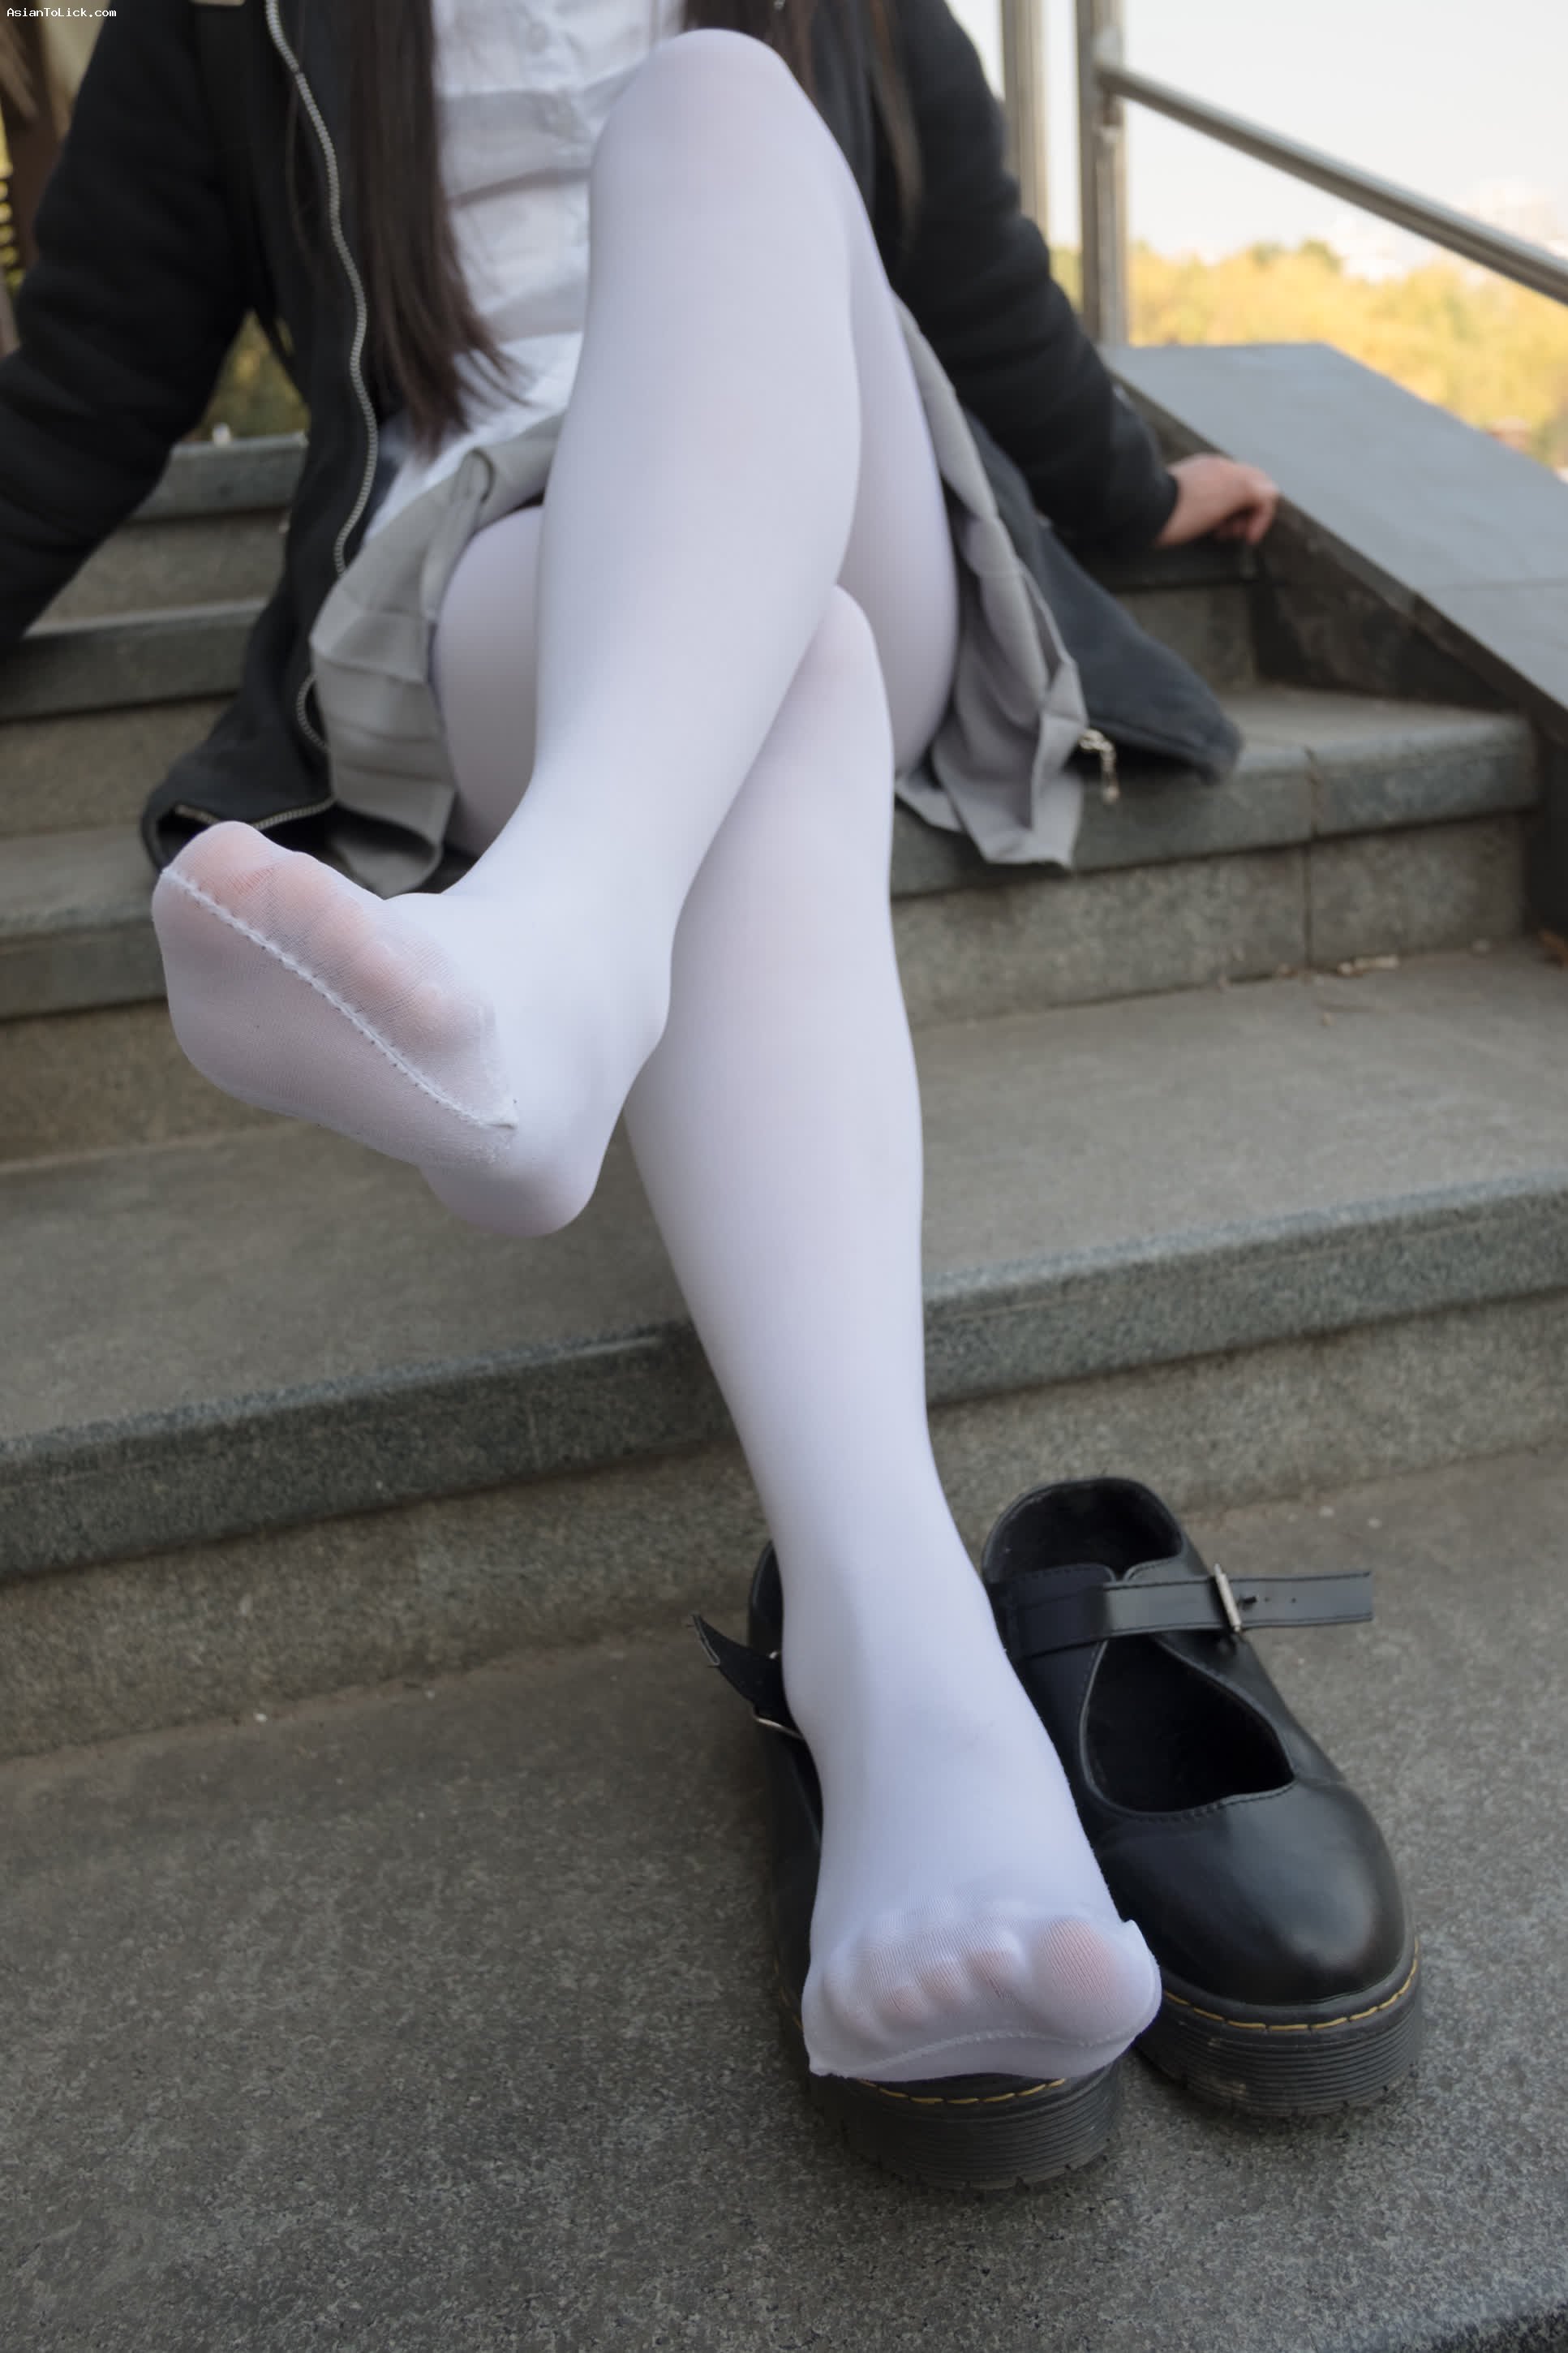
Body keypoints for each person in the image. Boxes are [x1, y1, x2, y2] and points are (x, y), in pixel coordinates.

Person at [0, 0, 1278, 2106]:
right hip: (498, 563)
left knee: (717, 106)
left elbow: (978, 297)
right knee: (785, 679)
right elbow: (83, 394)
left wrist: (1134, 489)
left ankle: (555, 952)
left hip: (842, 488)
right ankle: (912, 1690)